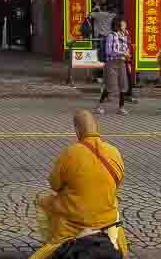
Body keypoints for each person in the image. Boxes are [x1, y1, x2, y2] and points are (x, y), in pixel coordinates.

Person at [29, 110, 127, 259]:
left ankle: (54, 245)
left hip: (75, 220)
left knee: (42, 202)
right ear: (96, 128)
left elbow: (54, 185)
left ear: (76, 130)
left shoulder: (70, 153)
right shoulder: (114, 152)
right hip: (107, 218)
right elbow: (117, 183)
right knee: (114, 202)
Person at [103, 18, 131, 116]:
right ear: (118, 26)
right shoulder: (111, 36)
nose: (125, 26)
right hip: (112, 62)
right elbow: (108, 51)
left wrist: (127, 55)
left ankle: (121, 107)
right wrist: (123, 53)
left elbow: (126, 49)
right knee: (110, 85)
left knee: (123, 85)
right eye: (124, 25)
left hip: (122, 62)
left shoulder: (124, 36)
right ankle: (100, 105)